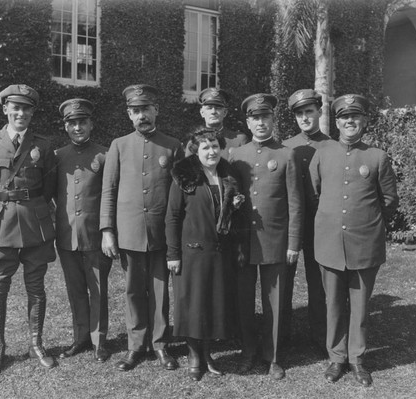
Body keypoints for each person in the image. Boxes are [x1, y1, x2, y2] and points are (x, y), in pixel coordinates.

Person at [308, 94, 398, 387]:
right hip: (329, 242)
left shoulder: (377, 157)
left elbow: (389, 200)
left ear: (364, 121)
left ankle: (357, 360)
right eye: (344, 117)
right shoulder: (322, 153)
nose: (350, 122)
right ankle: (336, 357)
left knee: (359, 307)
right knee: (332, 304)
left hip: (364, 242)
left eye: (355, 117)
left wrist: (367, 222)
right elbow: (315, 191)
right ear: (336, 122)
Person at [0, 84, 56, 373]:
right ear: (5, 109)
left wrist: (39, 213)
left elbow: (49, 187)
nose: (21, 113)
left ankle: (36, 344)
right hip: (0, 224)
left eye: (27, 109)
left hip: (35, 224)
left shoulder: (42, 145)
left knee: (36, 287)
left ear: (33, 112)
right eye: (16, 108)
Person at [100, 84, 183, 372]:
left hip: (161, 232)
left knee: (160, 291)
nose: (141, 116)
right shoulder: (119, 145)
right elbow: (109, 191)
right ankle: (135, 346)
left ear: (155, 110)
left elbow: (181, 193)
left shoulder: (172, 146)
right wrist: (107, 230)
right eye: (135, 111)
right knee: (134, 290)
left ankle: (160, 345)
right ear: (129, 114)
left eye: (145, 109)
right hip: (129, 231)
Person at [229, 93, 304, 379]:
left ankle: (272, 356)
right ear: (248, 122)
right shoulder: (237, 155)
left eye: (265, 117)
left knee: (274, 300)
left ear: (273, 119)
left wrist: (293, 243)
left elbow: (295, 203)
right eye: (255, 118)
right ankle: (248, 351)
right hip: (244, 240)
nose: (260, 123)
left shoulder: (286, 154)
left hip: (275, 240)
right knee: (244, 300)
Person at [166, 128, 244, 381]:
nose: (211, 152)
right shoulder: (184, 176)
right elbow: (173, 217)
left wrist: (234, 205)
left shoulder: (228, 174)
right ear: (196, 151)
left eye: (215, 147)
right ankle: (193, 356)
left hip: (219, 251)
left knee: (213, 304)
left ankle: (208, 352)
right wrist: (173, 254)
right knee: (193, 305)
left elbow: (227, 214)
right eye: (205, 148)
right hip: (192, 253)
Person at [55, 98, 112, 363]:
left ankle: (99, 340)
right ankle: (80, 338)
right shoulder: (58, 156)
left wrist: (108, 231)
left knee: (98, 289)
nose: (78, 127)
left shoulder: (105, 154)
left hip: (95, 236)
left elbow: (112, 196)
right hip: (67, 236)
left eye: (82, 122)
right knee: (75, 288)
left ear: (91, 124)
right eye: (72, 123)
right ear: (66, 127)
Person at [280, 89, 329, 350]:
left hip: (319, 224)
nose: (304, 117)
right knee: (283, 281)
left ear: (319, 111)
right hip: (288, 224)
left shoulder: (331, 146)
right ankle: (282, 335)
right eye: (299, 113)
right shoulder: (286, 146)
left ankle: (320, 337)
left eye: (309, 111)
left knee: (318, 282)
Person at [185, 88, 249, 157]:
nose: (213, 112)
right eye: (209, 108)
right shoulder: (194, 142)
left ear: (225, 112)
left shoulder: (239, 140)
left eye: (218, 108)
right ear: (202, 113)